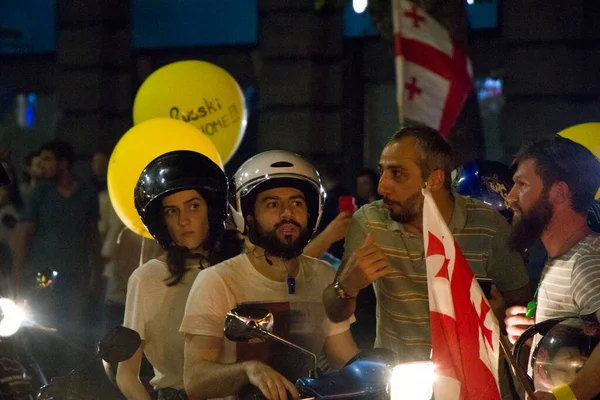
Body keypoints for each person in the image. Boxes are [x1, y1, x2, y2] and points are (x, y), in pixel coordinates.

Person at [323, 125, 531, 363]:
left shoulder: (488, 226)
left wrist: (500, 319)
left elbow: (521, 311)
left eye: (397, 173)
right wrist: (345, 287)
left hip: (473, 378)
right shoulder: (370, 222)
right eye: (382, 171)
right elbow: (334, 311)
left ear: (434, 179)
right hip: (400, 380)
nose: (381, 187)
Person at [180, 150, 358, 400]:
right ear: (249, 216)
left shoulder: (324, 275)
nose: (287, 213)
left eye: (297, 203)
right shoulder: (218, 281)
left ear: (312, 212)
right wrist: (248, 370)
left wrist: (374, 371)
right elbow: (195, 382)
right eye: (273, 204)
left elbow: (344, 359)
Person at [116, 150, 244, 400]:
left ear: (211, 208)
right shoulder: (148, 278)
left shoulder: (240, 268)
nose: (184, 220)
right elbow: (126, 373)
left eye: (193, 206)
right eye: (171, 212)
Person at [504, 136, 600, 400]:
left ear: (558, 192)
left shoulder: (586, 261)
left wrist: (567, 397)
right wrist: (537, 331)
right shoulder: (563, 256)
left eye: (522, 184)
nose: (510, 198)